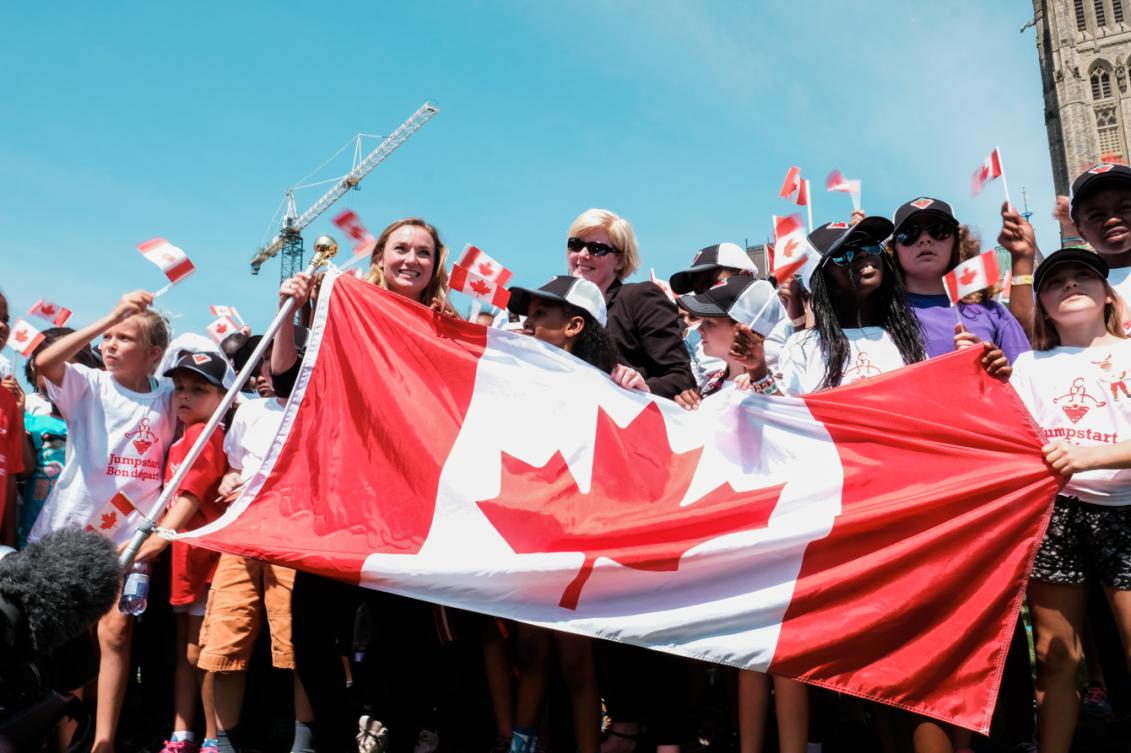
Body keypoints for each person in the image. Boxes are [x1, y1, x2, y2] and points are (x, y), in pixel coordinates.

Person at [29, 290, 176, 753]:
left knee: (116, 631)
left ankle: (105, 742)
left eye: (124, 338)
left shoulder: (171, 397)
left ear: (154, 354)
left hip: (129, 542)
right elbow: (44, 362)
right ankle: (64, 737)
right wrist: (109, 316)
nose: (110, 344)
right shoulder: (88, 383)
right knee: (69, 642)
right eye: (108, 337)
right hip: (69, 537)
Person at [503, 275, 640, 753]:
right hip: (529, 535)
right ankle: (521, 745)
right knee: (531, 654)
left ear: (574, 325)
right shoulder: (514, 377)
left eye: (541, 314)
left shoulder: (611, 387)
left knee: (577, 662)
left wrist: (633, 386)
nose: (528, 322)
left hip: (581, 540)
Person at [1008, 248, 1131, 753]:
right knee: (1058, 658)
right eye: (1056, 281)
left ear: (1108, 295)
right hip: (1054, 519)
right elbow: (1008, 442)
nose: (1071, 285)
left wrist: (1085, 458)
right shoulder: (1027, 364)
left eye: (1084, 276)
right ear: (1041, 302)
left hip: (1125, 511)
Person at [132, 351, 232, 753]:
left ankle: (210, 736)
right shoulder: (180, 440)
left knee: (202, 650)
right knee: (183, 650)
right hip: (182, 563)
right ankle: (182, 732)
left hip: (203, 561)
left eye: (199, 389)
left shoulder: (208, 436)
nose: (185, 396)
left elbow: (192, 495)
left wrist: (156, 538)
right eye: (179, 388)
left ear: (223, 396)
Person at [566, 209, 694, 399]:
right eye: (575, 245)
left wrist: (642, 387)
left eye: (596, 248)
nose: (583, 254)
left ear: (619, 260)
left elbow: (681, 378)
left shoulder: (638, 297)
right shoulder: (557, 308)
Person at [887, 197, 1029, 363]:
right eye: (909, 233)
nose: (925, 239)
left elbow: (1027, 379)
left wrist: (992, 369)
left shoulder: (993, 312)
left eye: (938, 230)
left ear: (956, 242)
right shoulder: (882, 314)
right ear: (894, 248)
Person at [1068, 163, 1131, 331]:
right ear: (1080, 230)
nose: (1113, 220)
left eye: (1125, 208)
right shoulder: (1072, 292)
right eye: (1097, 215)